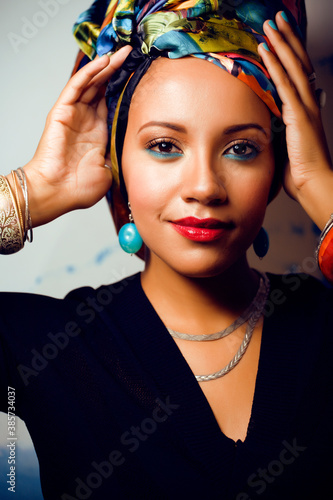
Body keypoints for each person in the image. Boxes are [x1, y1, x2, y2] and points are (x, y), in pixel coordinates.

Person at [0, 0, 333, 499]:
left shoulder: (323, 324)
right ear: (117, 162)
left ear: (280, 161)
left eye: (241, 148)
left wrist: (320, 186)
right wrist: (31, 192)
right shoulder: (48, 345)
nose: (204, 187)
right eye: (164, 146)